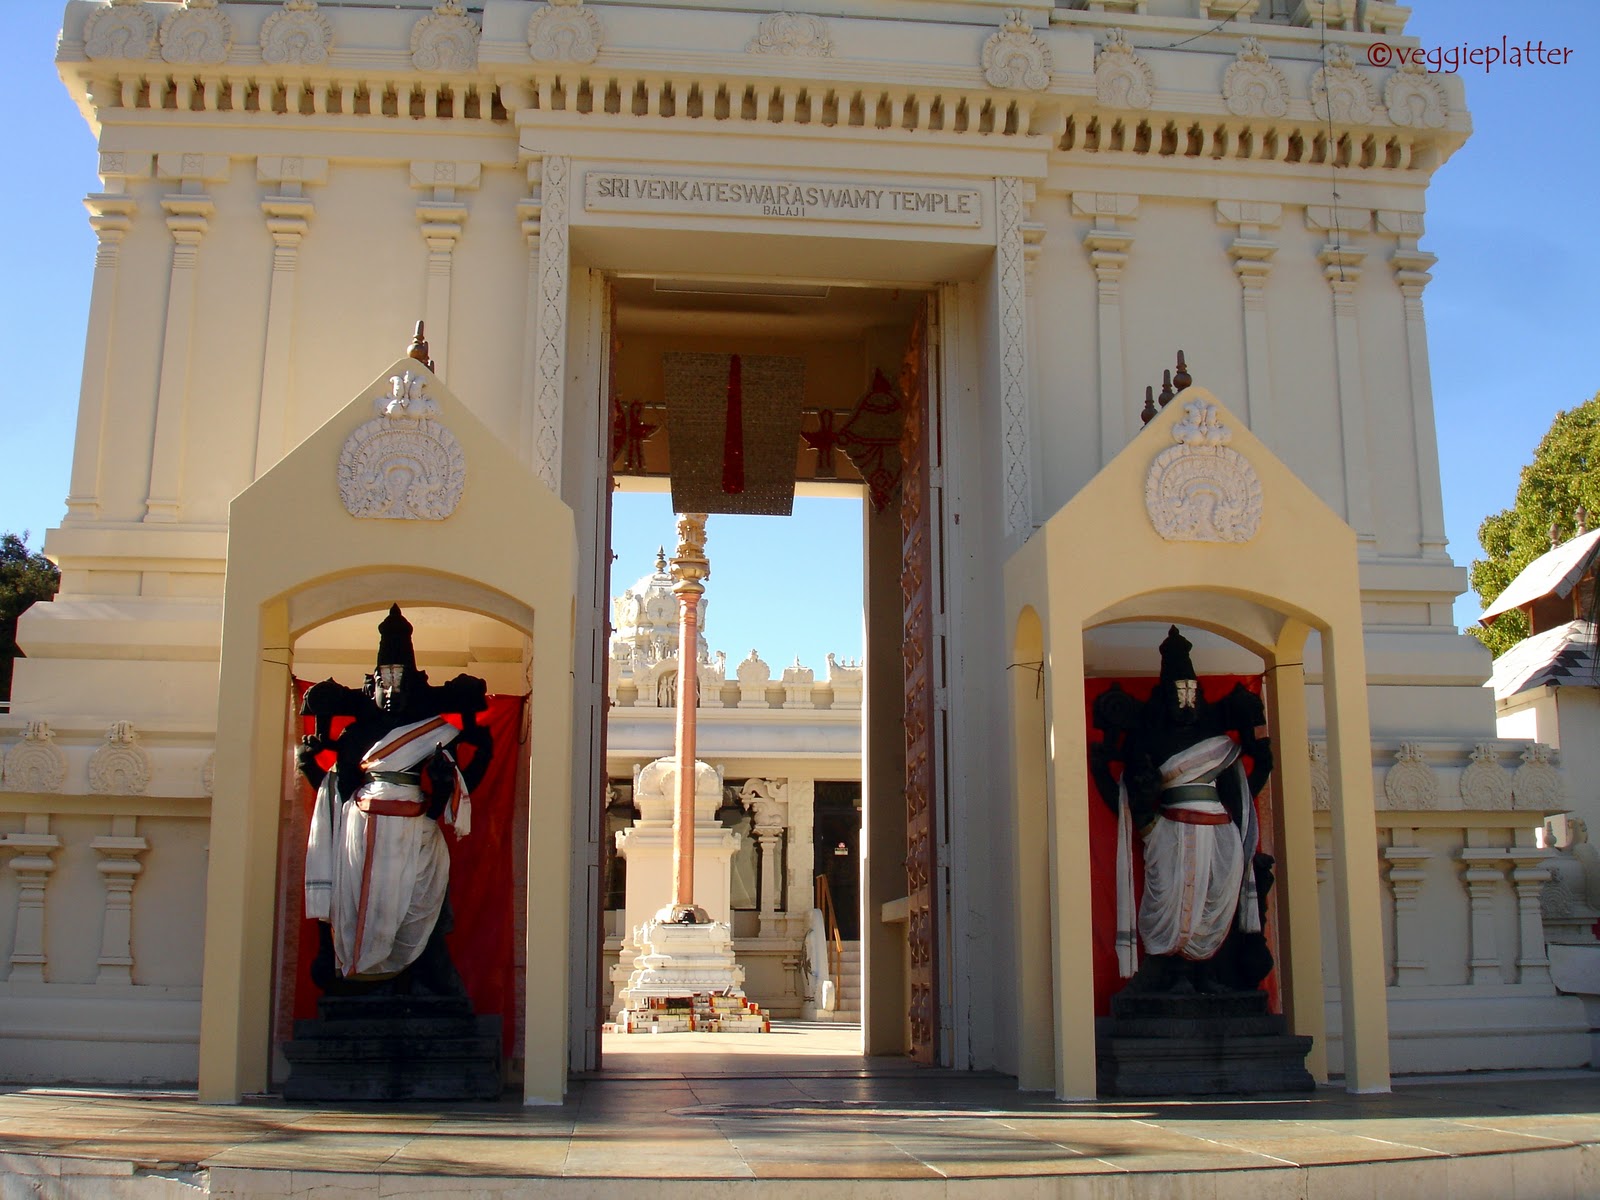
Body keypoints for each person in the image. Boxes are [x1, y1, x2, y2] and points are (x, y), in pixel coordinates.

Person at [296, 605, 492, 994]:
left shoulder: (434, 732)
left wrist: (478, 755)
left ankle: (417, 975)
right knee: (361, 903)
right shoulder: (357, 735)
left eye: (398, 680)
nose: (390, 690)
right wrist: (310, 767)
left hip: (415, 832)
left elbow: (459, 787)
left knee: (419, 905)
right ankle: (362, 975)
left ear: (415, 684)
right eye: (384, 681)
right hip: (362, 832)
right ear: (372, 685)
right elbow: (339, 793)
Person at [1090, 626, 1274, 995]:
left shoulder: (1219, 746)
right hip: (1170, 831)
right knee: (1171, 901)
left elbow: (1239, 795)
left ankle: (1208, 972)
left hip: (1220, 832)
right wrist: (1140, 815)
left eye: (1191, 691)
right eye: (1179, 692)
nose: (1186, 699)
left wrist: (1263, 768)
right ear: (1166, 696)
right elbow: (1132, 790)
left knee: (1214, 900)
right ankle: (1175, 975)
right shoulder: (1150, 738)